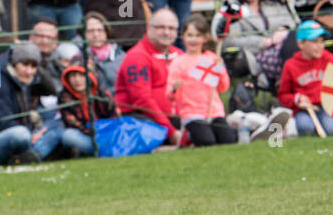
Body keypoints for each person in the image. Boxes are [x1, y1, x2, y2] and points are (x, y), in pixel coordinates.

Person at [0, 43, 62, 165]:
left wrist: (37, 67)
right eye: (24, 65)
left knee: (57, 125)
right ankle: (30, 154)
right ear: (14, 63)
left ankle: (30, 156)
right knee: (21, 135)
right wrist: (31, 135)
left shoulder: (24, 78)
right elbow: (4, 122)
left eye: (33, 66)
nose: (29, 71)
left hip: (19, 130)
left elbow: (51, 89)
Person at [211, 0, 294, 91]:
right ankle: (283, 84)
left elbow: (291, 23)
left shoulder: (271, 4)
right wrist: (266, 42)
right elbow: (229, 40)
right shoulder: (232, 8)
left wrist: (284, 29)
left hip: (280, 51)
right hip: (250, 58)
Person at [115, 8, 182, 144]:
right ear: (149, 29)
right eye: (161, 27)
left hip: (173, 116)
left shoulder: (179, 54)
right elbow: (142, 100)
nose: (166, 32)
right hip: (141, 117)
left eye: (171, 28)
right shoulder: (137, 56)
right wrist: (171, 132)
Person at [167, 14, 237, 146]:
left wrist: (221, 70)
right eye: (190, 35)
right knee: (207, 142)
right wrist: (175, 88)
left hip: (214, 111)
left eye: (198, 35)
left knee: (228, 140)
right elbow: (169, 95)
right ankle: (187, 135)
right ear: (183, 37)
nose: (193, 39)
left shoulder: (211, 58)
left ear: (205, 38)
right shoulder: (178, 62)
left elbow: (223, 88)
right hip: (192, 113)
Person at [277, 21, 333, 136]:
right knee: (305, 128)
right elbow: (283, 95)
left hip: (326, 107)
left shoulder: (329, 59)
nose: (320, 46)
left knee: (332, 130)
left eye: (322, 41)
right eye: (314, 42)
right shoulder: (290, 65)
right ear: (301, 44)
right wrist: (297, 99)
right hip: (303, 110)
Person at [56, 63, 115, 156]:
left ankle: (96, 150)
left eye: (82, 75)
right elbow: (71, 122)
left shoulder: (103, 95)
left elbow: (114, 118)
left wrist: (101, 130)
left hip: (105, 134)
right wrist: (90, 131)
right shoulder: (64, 97)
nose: (77, 80)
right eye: (73, 75)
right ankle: (99, 150)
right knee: (68, 135)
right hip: (84, 135)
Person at [81, 12, 123, 93]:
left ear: (107, 32)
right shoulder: (80, 57)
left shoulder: (121, 56)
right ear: (83, 33)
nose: (96, 35)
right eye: (90, 31)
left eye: (100, 30)